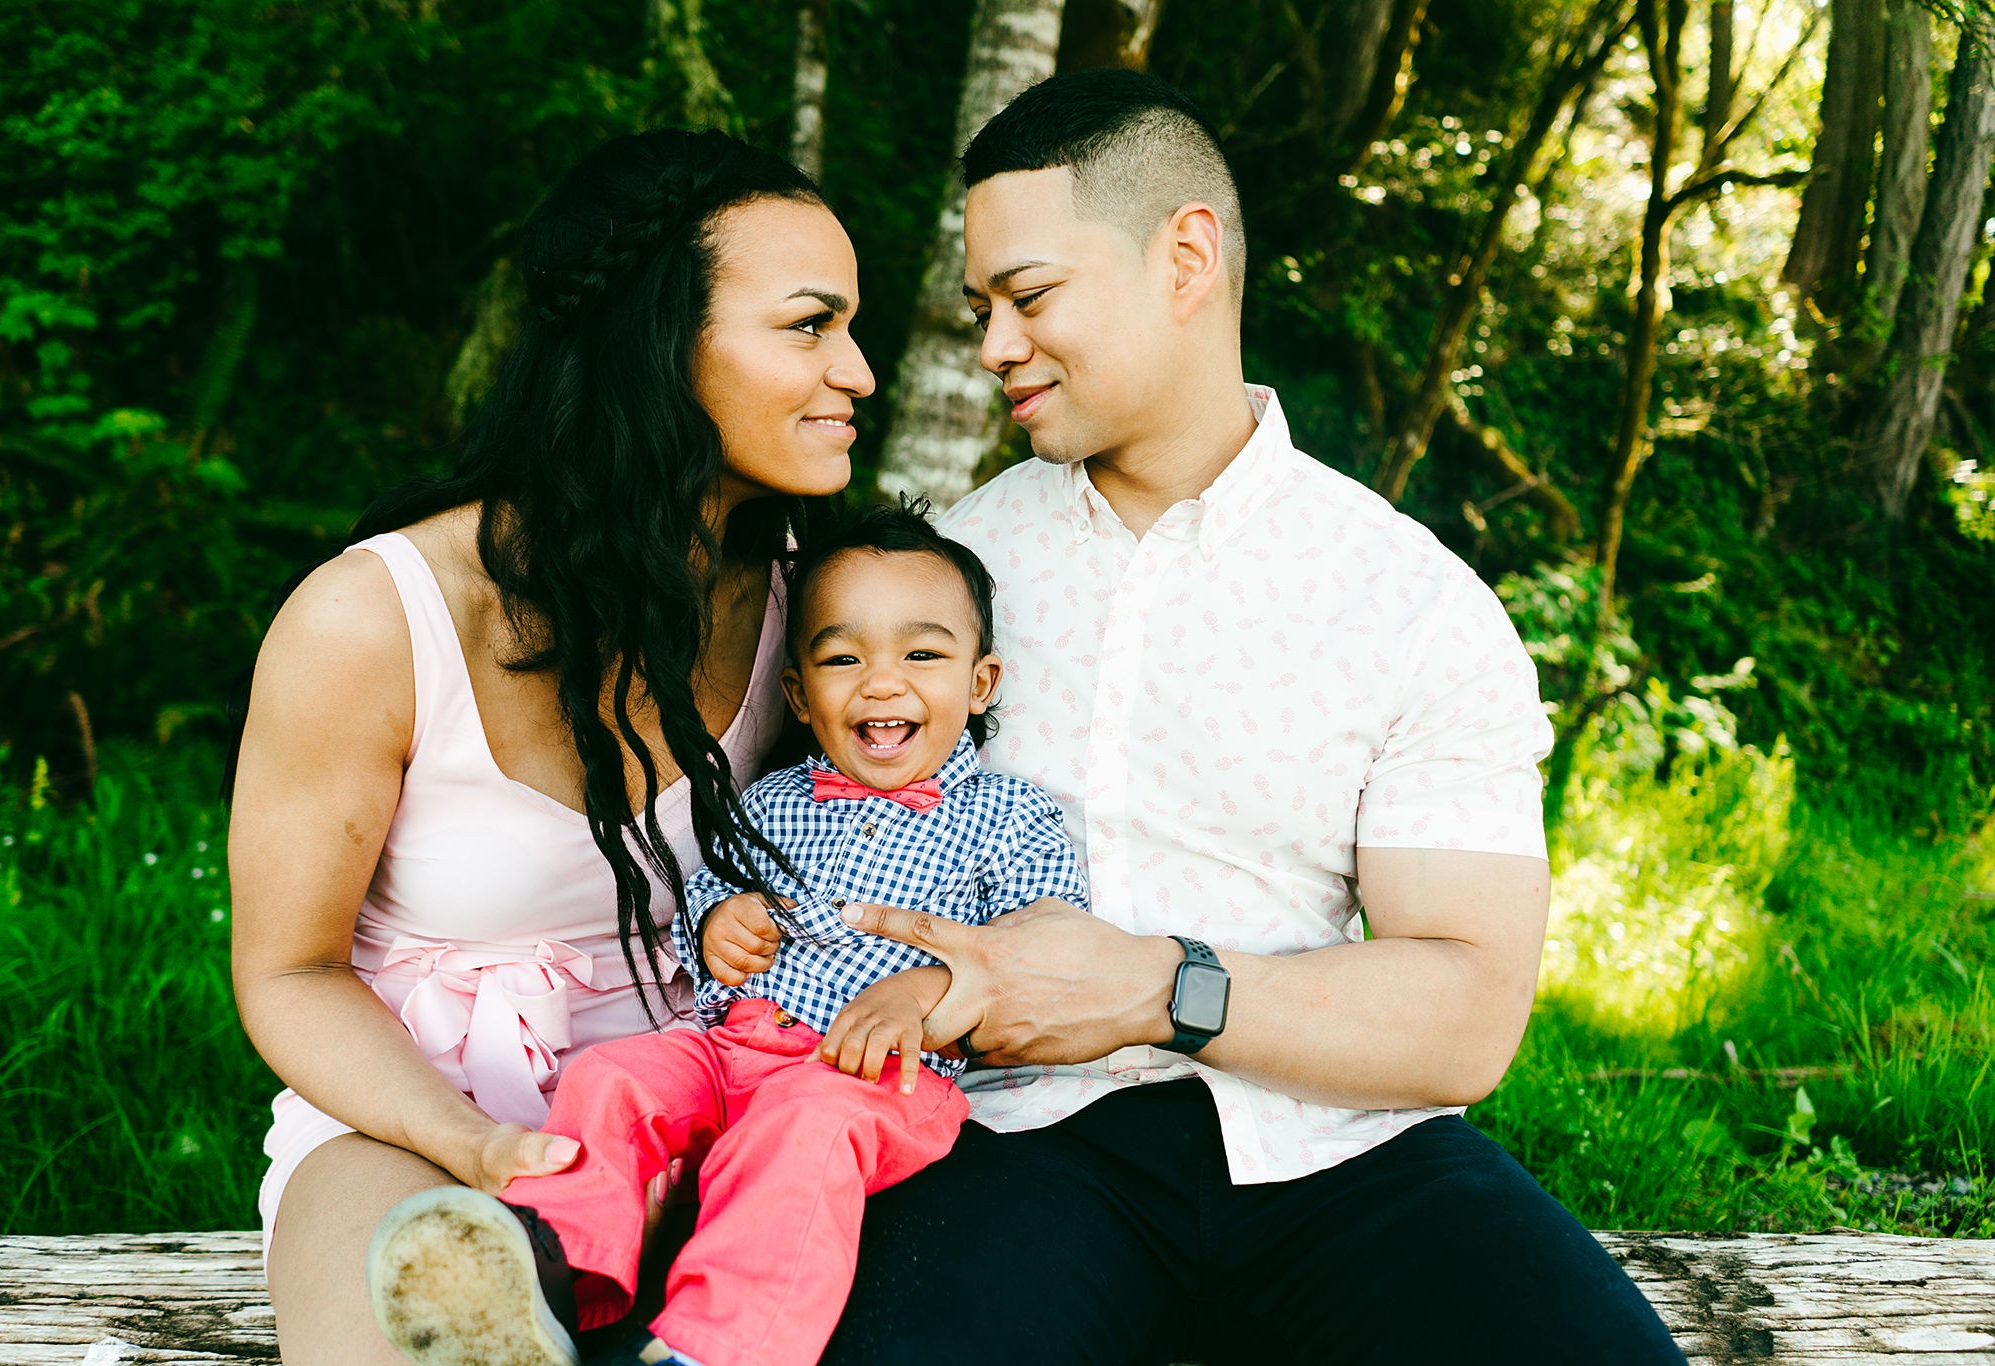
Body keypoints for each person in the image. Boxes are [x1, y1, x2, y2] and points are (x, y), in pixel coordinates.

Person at [823, 71, 1686, 1364]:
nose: (992, 344)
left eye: (1032, 296)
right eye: (980, 306)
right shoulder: (941, 582)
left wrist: (1160, 987)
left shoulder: (1411, 602)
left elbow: (1467, 1013)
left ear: (1187, 256)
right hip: (1009, 1150)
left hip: (1333, 1147)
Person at [226, 128, 874, 1366]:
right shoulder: (377, 618)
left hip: (711, 1098)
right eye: (809, 325)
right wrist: (481, 1152)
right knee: (414, 1317)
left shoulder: (808, 604)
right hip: (413, 1120)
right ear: (655, 343)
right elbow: (287, 972)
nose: (858, 369)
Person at [364, 502, 1088, 1366]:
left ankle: (720, 1347)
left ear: (979, 683)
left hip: (871, 1081)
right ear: (799, 694)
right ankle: (553, 1274)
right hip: (731, 1047)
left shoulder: (1009, 816)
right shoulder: (772, 799)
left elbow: (1040, 945)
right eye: (842, 658)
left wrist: (928, 992)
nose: (882, 682)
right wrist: (719, 923)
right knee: (615, 1076)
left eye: (922, 655)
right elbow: (714, 885)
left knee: (802, 1130)